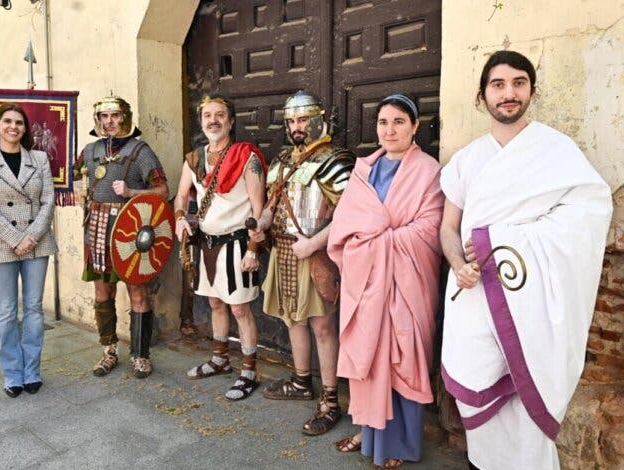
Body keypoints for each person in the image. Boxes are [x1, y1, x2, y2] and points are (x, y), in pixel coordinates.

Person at [438, 50, 612, 470]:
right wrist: (456, 262)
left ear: (531, 90)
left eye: (519, 82)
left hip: (533, 302)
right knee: (478, 402)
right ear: (483, 97)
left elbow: (588, 213)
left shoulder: (556, 151)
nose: (509, 93)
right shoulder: (466, 160)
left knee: (527, 398)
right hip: (474, 294)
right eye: (498, 85)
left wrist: (502, 240)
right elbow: (448, 228)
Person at [328, 94, 444, 467]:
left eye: (398, 122)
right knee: (367, 356)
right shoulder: (363, 171)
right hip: (366, 284)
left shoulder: (429, 171)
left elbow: (430, 229)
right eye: (383, 122)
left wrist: (377, 240)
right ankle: (370, 432)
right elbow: (345, 226)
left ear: (414, 127)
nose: (389, 129)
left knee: (401, 357)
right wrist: (372, 244)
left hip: (406, 285)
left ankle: (400, 444)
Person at [252, 91, 354, 435]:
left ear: (318, 120)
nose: (297, 127)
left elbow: (350, 214)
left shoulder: (335, 160)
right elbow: (271, 203)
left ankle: (330, 400)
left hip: (317, 256)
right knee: (291, 319)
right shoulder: (282, 160)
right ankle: (300, 382)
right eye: (292, 121)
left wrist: (313, 244)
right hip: (283, 252)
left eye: (303, 120)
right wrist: (261, 226)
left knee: (322, 327)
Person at [174, 93, 267, 400]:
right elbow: (181, 198)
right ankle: (219, 359)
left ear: (231, 121)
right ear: (202, 122)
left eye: (219, 115)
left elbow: (258, 207)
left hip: (238, 244)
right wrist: (180, 219)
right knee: (215, 303)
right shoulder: (193, 158)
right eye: (207, 116)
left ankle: (249, 371)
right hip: (206, 245)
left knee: (240, 308)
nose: (213, 120)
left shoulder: (246, 157)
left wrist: (254, 249)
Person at [73, 94, 168, 379]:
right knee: (102, 293)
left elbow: (162, 191)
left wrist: (131, 193)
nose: (109, 122)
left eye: (115, 116)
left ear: (124, 118)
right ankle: (109, 351)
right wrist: (81, 194)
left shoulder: (140, 151)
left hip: (131, 233)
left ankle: (140, 355)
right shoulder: (89, 151)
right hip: (97, 228)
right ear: (98, 120)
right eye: (104, 117)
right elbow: (76, 178)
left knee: (137, 291)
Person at [0, 104, 58, 398]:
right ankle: (12, 374)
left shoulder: (39, 158)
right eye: (6, 121)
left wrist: (30, 236)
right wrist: (15, 239)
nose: (13, 127)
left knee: (33, 308)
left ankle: (32, 371)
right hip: (0, 242)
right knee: (7, 311)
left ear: (25, 128)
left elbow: (48, 200)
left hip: (37, 241)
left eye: (19, 122)